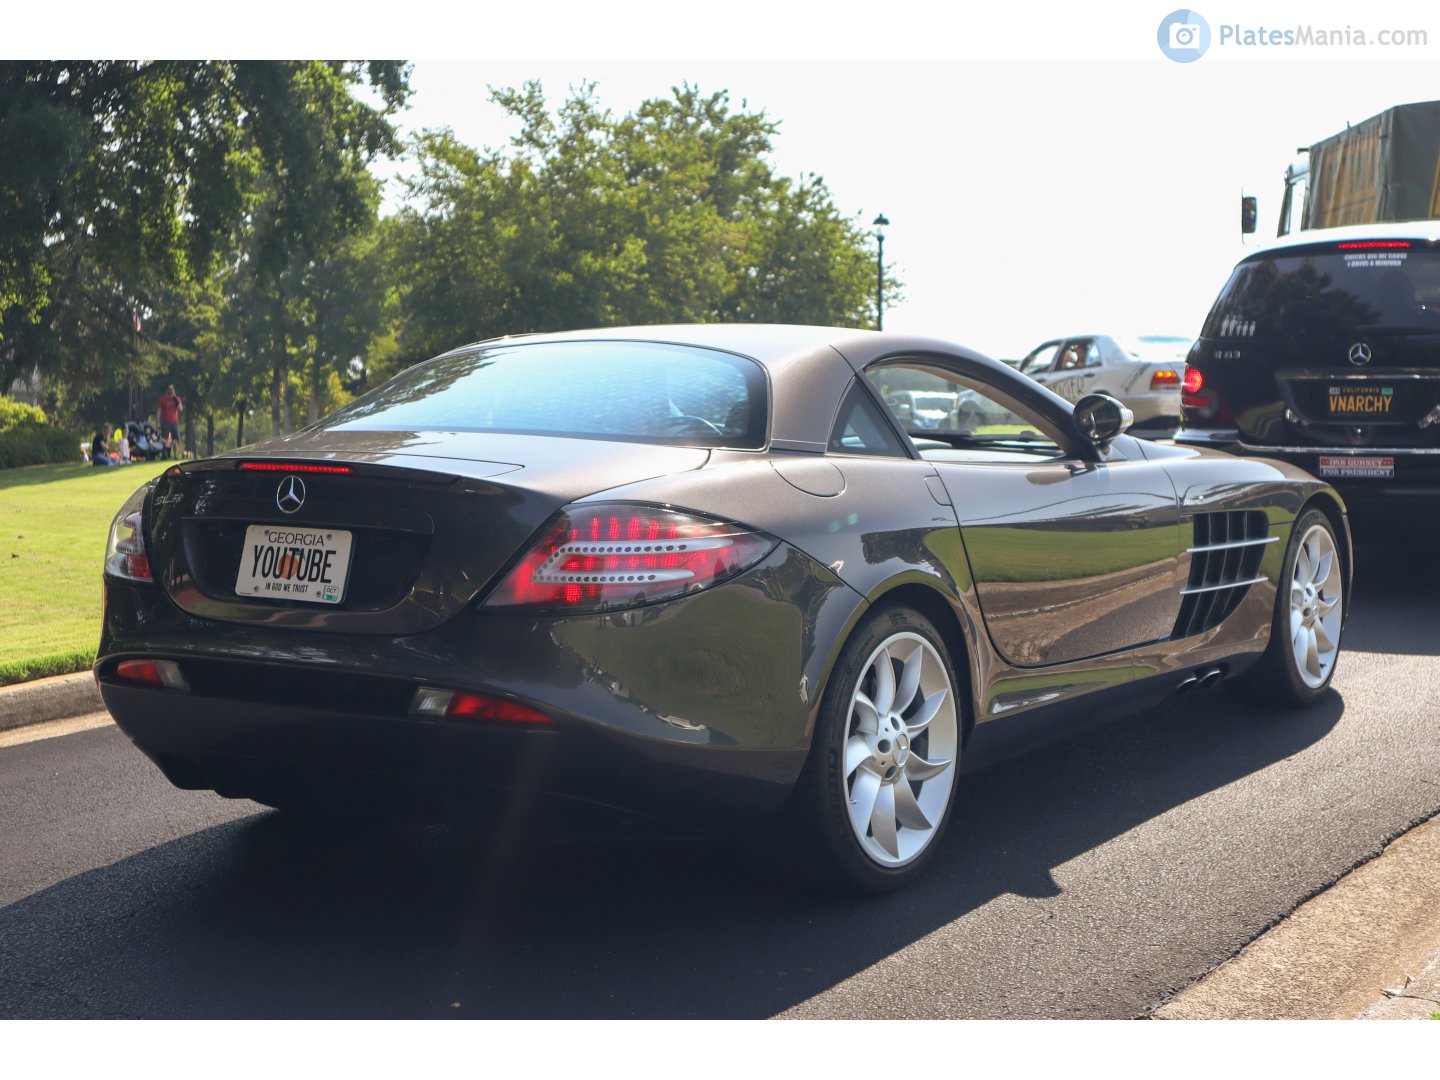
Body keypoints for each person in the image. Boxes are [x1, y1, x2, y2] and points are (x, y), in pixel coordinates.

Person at [156, 384, 183, 459]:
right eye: (169, 389)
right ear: (167, 390)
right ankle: (164, 455)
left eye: (172, 389)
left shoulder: (176, 399)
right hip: (165, 421)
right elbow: (159, 411)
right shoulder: (163, 399)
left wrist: (175, 399)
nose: (171, 391)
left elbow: (181, 409)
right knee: (164, 439)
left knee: (175, 439)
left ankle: (175, 455)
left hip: (174, 421)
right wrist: (158, 422)